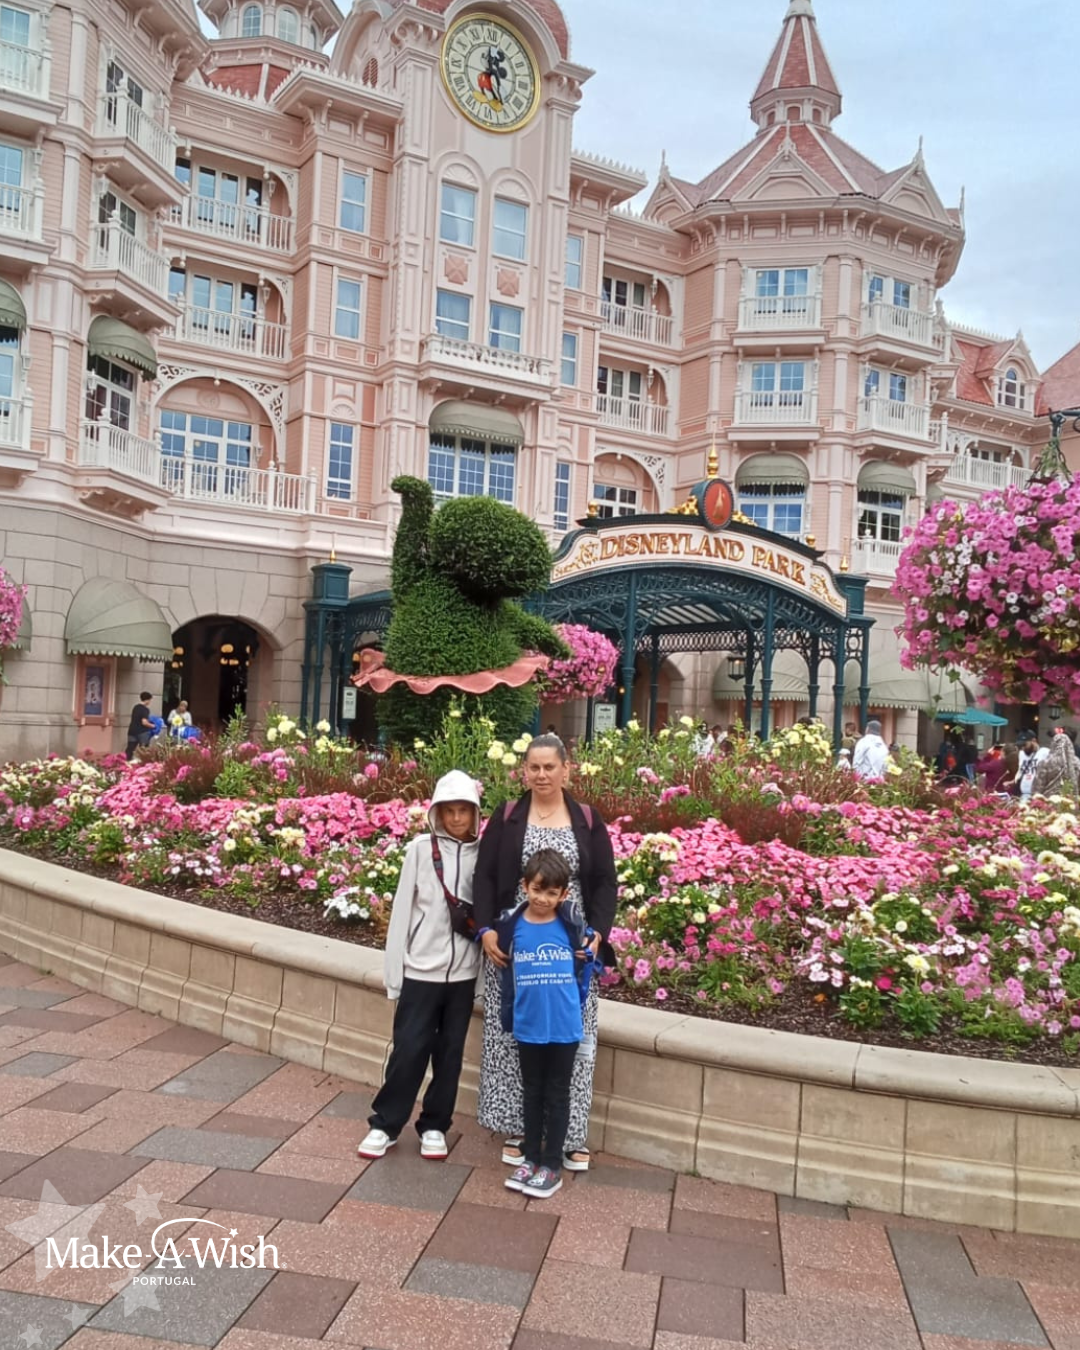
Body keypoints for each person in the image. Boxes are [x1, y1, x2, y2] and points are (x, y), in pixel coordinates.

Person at [473, 733, 617, 1174]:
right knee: (517, 1038)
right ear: (524, 771)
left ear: (565, 769)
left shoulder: (586, 819)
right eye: (533, 767)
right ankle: (521, 1130)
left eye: (549, 767)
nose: (541, 775)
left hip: (570, 953)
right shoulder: (508, 816)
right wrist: (486, 930)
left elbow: (605, 882)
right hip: (517, 951)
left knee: (572, 1041)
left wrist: (597, 934)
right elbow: (484, 876)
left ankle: (568, 1136)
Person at [357, 770, 482, 1162]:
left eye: (464, 810)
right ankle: (385, 1124)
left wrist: (479, 978)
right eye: (450, 810)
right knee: (409, 1050)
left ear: (475, 813)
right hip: (420, 972)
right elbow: (401, 914)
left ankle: (434, 1126)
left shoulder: (484, 854)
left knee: (450, 1054)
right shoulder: (419, 850)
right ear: (437, 812)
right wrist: (395, 974)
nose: (457, 818)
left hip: (462, 975)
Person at [497, 849, 599, 1198]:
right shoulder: (512, 925)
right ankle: (531, 1158)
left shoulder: (572, 925)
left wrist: (589, 951)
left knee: (557, 1095)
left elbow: (588, 958)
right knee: (532, 1092)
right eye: (537, 889)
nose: (543, 899)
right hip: (528, 1025)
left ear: (564, 894)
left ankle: (551, 1165)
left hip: (564, 1026)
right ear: (524, 886)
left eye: (551, 893)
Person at [1033, 728, 1080, 800]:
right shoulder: (1077, 762)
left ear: (1053, 744)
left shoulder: (1045, 762)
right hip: (1071, 800)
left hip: (1048, 801)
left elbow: (1038, 787)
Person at [1015, 731, 1049, 801]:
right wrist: (1013, 781)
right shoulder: (1021, 754)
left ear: (1034, 741)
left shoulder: (1045, 752)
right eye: (1020, 746)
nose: (1022, 747)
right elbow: (1021, 771)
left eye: (1025, 744)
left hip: (1039, 794)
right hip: (1024, 793)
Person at [125, 692, 155, 760]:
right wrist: (152, 726)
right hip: (142, 732)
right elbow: (144, 722)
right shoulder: (145, 709)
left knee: (130, 749)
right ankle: (144, 763)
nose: (150, 702)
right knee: (144, 750)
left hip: (132, 731)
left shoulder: (135, 707)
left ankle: (126, 761)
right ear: (147, 700)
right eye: (150, 700)